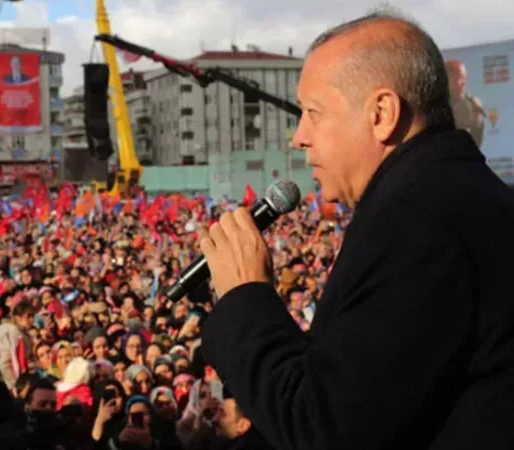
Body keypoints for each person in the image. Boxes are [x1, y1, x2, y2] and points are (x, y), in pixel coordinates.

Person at [198, 9, 514, 450]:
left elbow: (325, 428)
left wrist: (245, 298)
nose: (298, 137)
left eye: (312, 113)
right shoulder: (459, 194)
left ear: (381, 113)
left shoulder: (417, 220)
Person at [0, 302, 35, 389]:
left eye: (32, 316)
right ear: (17, 318)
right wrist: (14, 386)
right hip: (12, 384)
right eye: (28, 316)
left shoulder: (24, 334)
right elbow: (4, 364)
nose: (32, 319)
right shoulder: (12, 332)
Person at [446, 59, 486, 147]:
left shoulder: (472, 104)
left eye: (464, 78)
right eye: (459, 78)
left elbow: (477, 142)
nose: (463, 84)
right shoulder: (433, 106)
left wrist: (477, 117)